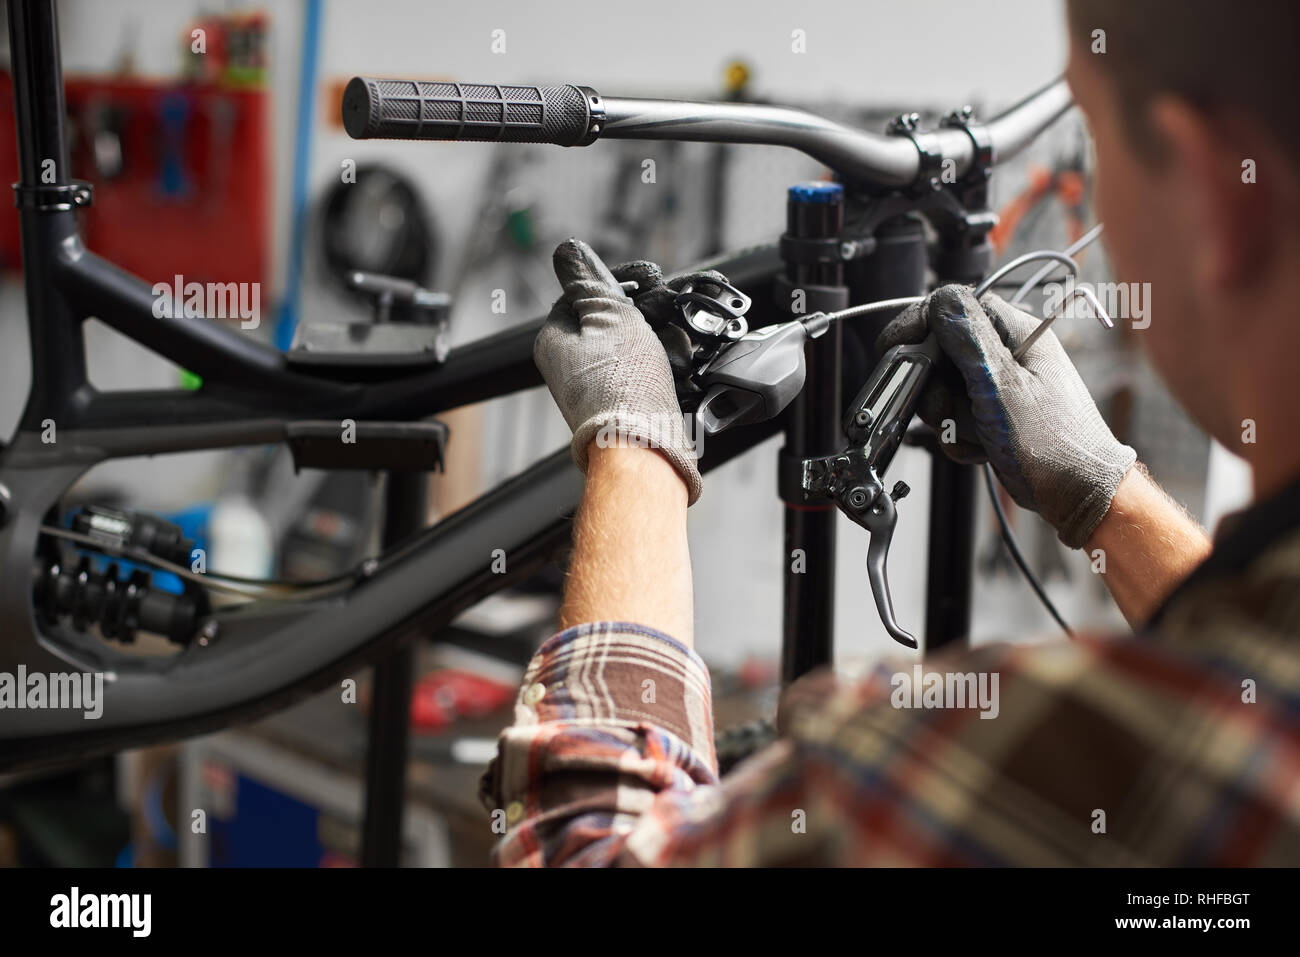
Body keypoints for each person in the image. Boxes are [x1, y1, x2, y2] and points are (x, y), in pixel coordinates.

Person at [478, 0, 1300, 865]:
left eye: (1095, 139)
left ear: (1216, 202)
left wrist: (632, 448)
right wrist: (1110, 496)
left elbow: (580, 849)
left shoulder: (1046, 753)